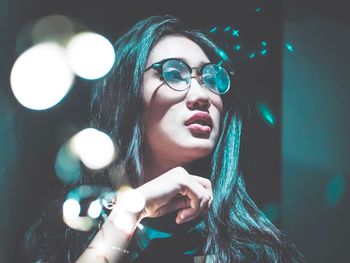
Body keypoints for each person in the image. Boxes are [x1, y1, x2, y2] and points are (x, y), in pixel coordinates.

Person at [21, 15, 304, 262]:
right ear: (127, 95)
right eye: (173, 73)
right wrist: (132, 210)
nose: (201, 96)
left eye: (211, 78)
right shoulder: (64, 233)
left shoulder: (255, 248)